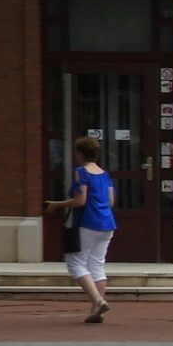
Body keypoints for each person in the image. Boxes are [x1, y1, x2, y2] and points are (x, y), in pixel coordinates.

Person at [52, 133, 117, 324]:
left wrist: (57, 205)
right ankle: (97, 311)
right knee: (97, 265)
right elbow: (111, 200)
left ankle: (98, 301)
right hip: (107, 223)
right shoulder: (105, 174)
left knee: (75, 263)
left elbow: (80, 200)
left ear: (80, 153)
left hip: (88, 222)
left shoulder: (82, 172)